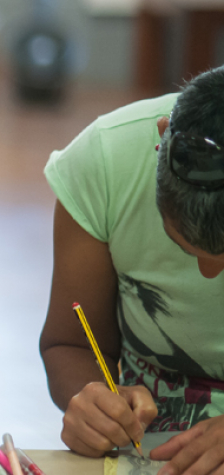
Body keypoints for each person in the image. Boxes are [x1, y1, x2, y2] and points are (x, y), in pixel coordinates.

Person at [39, 66, 224, 475]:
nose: (208, 273)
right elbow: (70, 344)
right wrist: (93, 403)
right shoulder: (107, 161)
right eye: (181, 245)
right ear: (160, 141)